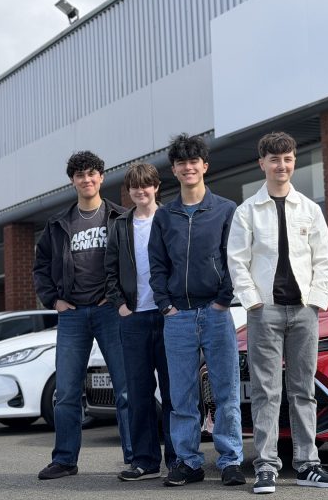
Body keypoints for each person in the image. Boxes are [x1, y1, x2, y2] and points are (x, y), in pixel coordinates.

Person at [227, 131, 328, 493]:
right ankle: (266, 466)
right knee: (266, 391)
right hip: (265, 312)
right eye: (275, 159)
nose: (282, 166)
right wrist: (253, 301)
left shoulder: (309, 209)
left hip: (304, 311)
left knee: (303, 390)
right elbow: (237, 261)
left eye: (288, 159)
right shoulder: (247, 211)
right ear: (262, 163)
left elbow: (324, 257)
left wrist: (316, 299)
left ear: (294, 161)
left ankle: (308, 464)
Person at [148, 133, 245, 487]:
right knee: (182, 396)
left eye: (193, 162)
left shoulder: (226, 209)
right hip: (178, 317)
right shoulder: (165, 216)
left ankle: (231, 460)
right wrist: (165, 306)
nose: (188, 168)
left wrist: (223, 299)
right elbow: (157, 265)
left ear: (204, 166)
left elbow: (235, 259)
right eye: (181, 163)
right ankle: (188, 462)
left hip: (216, 313)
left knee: (225, 391)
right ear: (174, 170)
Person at [33, 150, 132, 480]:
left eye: (92, 174)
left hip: (109, 313)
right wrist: (54, 300)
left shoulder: (120, 217)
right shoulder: (58, 224)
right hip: (72, 315)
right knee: (66, 392)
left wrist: (117, 297)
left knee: (126, 389)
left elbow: (132, 262)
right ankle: (64, 460)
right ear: (72, 181)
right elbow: (40, 267)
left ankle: (135, 457)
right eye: (80, 175)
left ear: (101, 177)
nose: (86, 180)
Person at [105, 162, 176, 481]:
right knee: (138, 393)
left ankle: (178, 459)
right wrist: (120, 305)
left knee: (174, 392)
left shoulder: (170, 218)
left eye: (145, 185)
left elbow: (181, 263)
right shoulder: (120, 224)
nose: (140, 191)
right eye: (134, 186)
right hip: (133, 319)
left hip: (167, 316)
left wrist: (174, 305)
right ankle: (145, 461)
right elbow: (109, 270)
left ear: (156, 187)